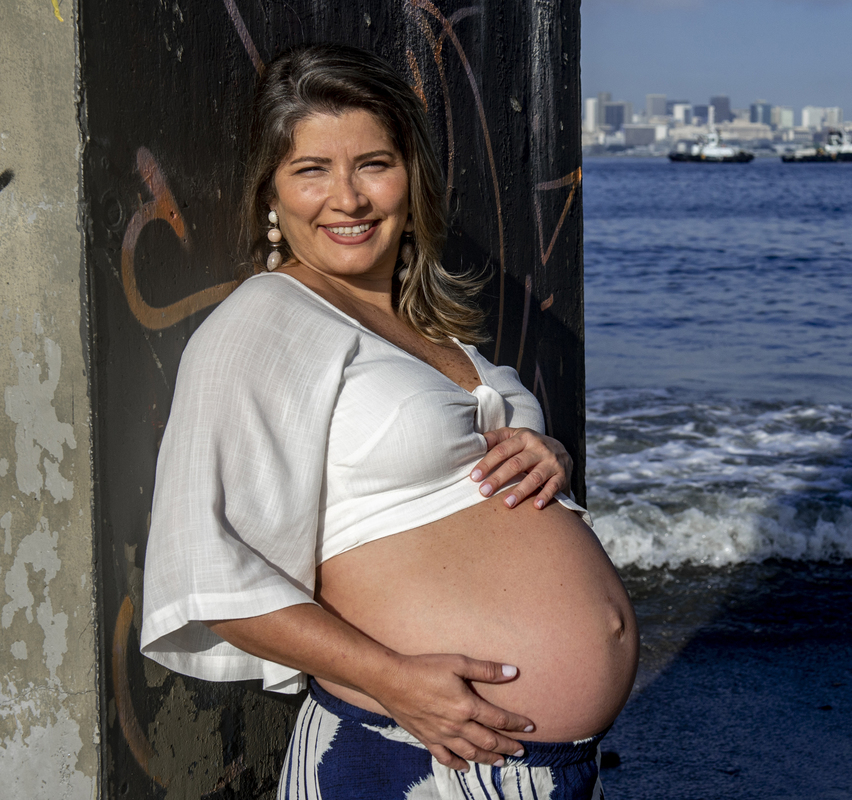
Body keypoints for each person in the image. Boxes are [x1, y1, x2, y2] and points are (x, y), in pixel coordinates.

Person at [140, 44, 638, 800]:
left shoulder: (433, 337)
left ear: (412, 180)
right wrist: (396, 681)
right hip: (405, 760)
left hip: (543, 774)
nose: (348, 198)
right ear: (272, 194)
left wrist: (545, 454)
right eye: (311, 171)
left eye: (373, 163)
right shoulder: (263, 321)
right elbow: (201, 570)